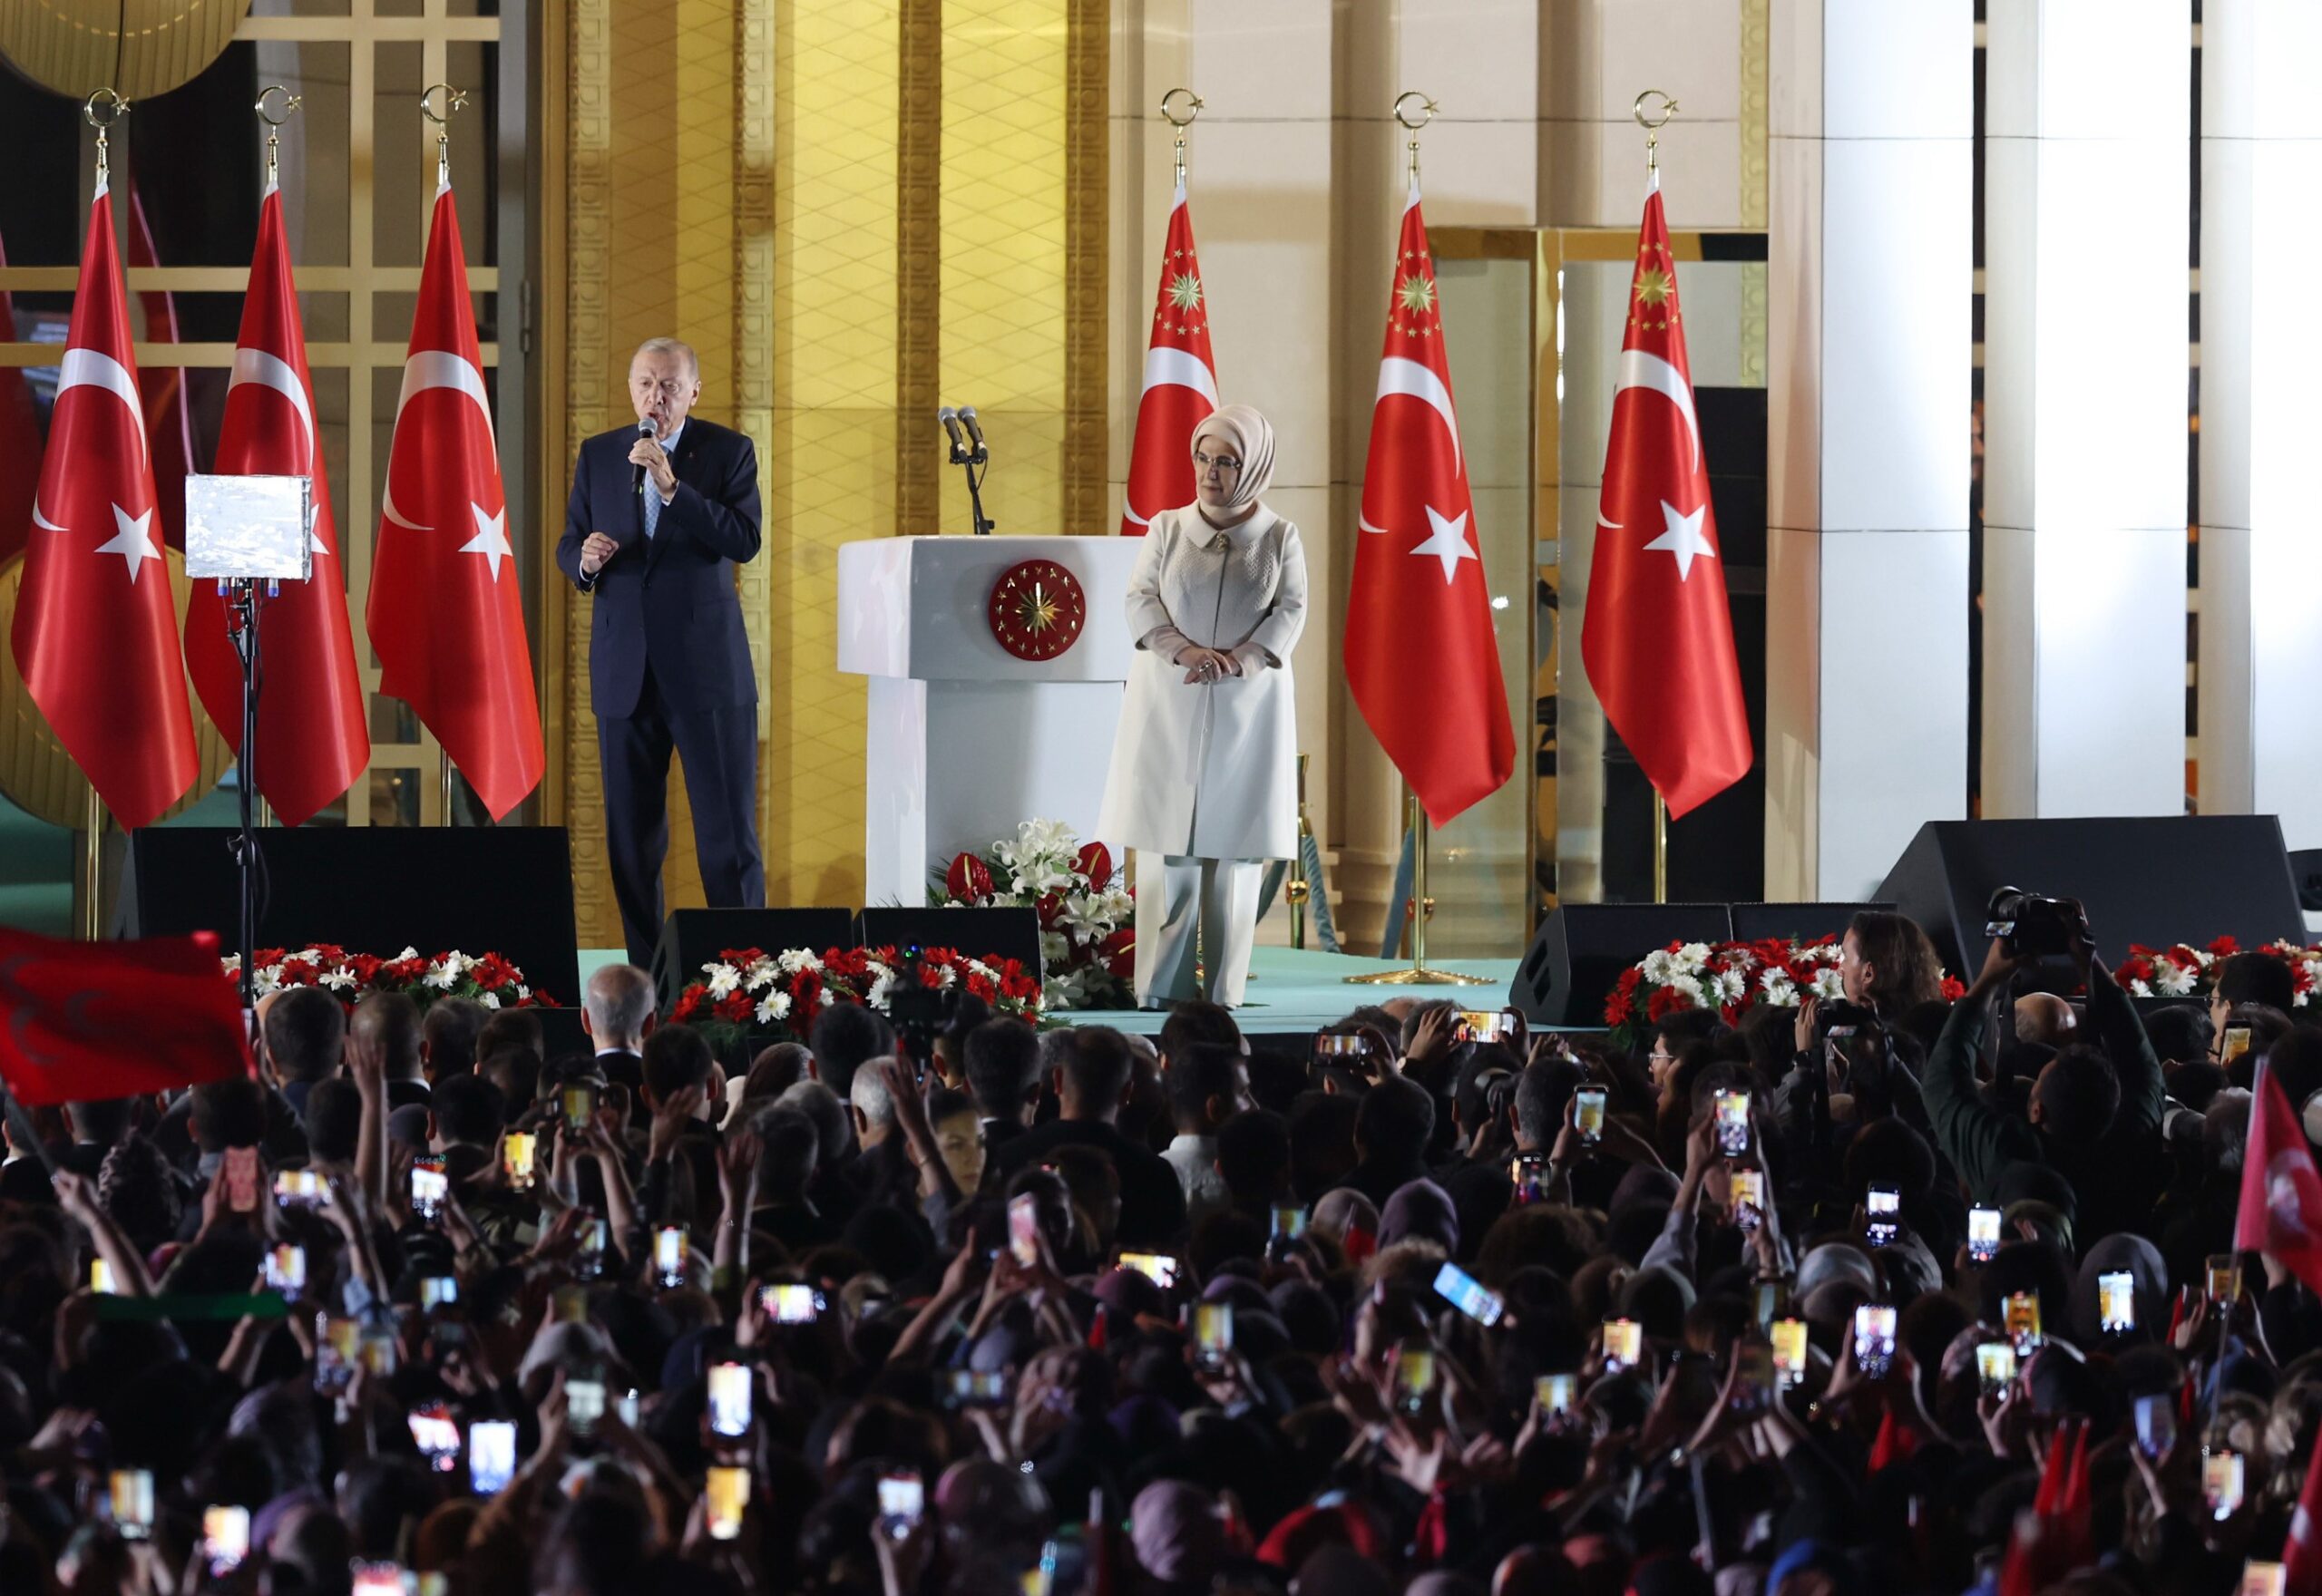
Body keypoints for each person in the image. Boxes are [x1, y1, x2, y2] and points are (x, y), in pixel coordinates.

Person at [556, 336, 766, 967]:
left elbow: (744, 539)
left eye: (671, 386)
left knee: (726, 840)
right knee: (632, 842)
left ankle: (744, 976)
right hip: (625, 672)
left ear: (694, 392)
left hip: (707, 673)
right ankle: (646, 976)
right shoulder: (598, 454)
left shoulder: (728, 451)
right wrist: (584, 561)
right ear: (631, 388)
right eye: (647, 383)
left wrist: (674, 489)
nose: (658, 397)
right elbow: (570, 541)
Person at [1098, 404, 1308, 1008]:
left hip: (1248, 711)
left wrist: (1239, 658)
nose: (1210, 472)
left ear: (1254, 467)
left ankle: (1222, 996)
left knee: (1234, 861)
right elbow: (1139, 596)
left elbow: (1291, 610)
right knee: (1172, 853)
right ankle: (1157, 993)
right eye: (1203, 457)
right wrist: (1183, 651)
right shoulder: (1166, 527)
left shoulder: (1279, 536)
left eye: (1227, 461)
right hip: (1172, 700)